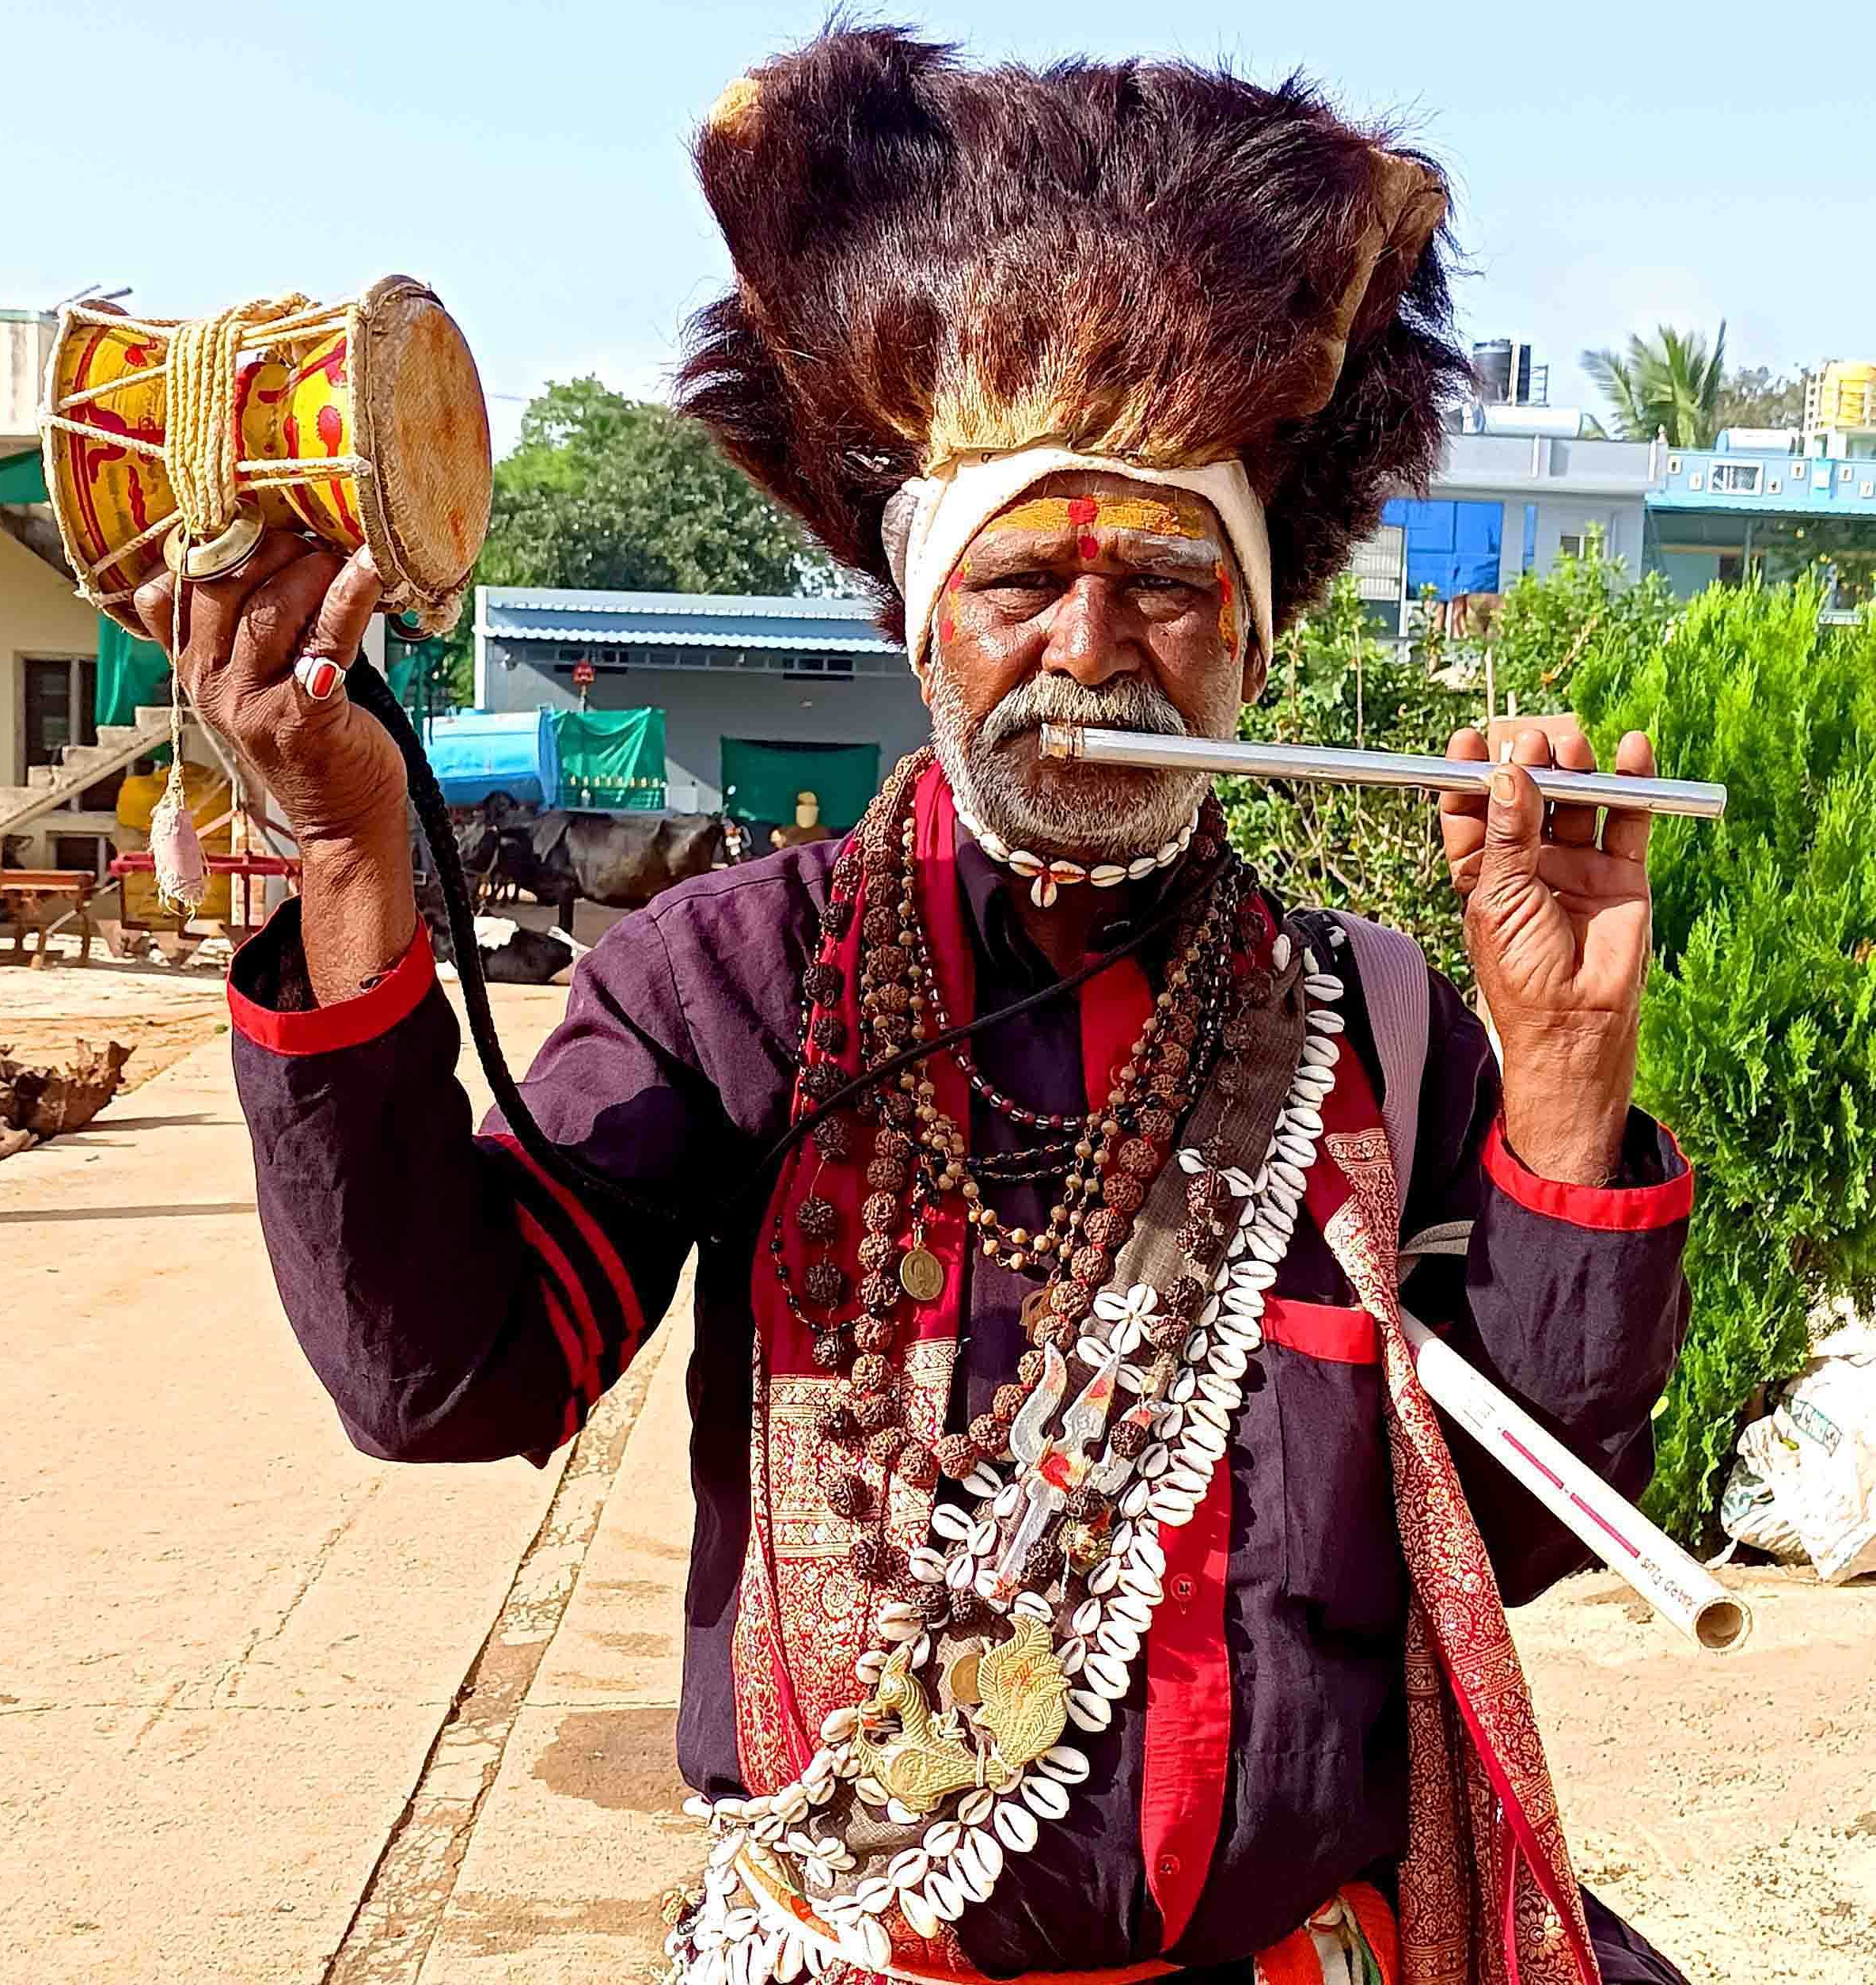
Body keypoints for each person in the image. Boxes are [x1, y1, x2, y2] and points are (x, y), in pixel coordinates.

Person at [135, 30, 1695, 1985]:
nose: (1094, 648)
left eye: (1169, 586)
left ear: (1256, 639)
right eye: (1023, 576)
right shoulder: (737, 981)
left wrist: (1561, 1061)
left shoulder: (1376, 1029)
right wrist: (358, 855)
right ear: (921, 620)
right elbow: (444, 1375)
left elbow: (1519, 1541)